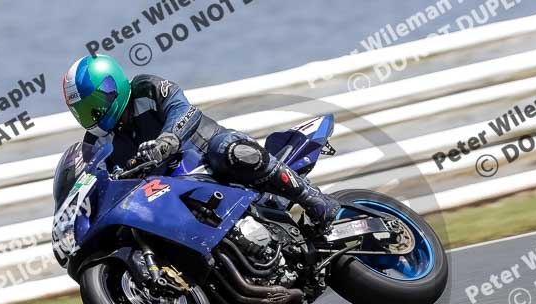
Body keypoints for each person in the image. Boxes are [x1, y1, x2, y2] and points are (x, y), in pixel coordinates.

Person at [63, 55, 340, 230]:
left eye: (94, 105)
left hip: (207, 156)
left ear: (111, 87)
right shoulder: (97, 142)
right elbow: (95, 179)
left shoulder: (147, 89)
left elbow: (183, 110)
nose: (92, 115)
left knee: (228, 150)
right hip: (168, 191)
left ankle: (311, 198)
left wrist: (167, 140)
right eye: (83, 111)